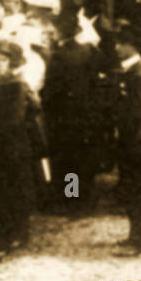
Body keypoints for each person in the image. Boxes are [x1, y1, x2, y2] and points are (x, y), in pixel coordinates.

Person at [0, 38, 47, 254]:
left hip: (14, 145)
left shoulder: (15, 85)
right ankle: (12, 231)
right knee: (5, 189)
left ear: (11, 64)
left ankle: (17, 233)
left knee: (16, 188)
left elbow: (12, 121)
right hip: (1, 145)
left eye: (1, 61)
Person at [42, 14, 99, 215]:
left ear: (62, 32)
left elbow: (51, 90)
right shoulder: (86, 52)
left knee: (67, 161)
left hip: (64, 116)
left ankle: (72, 200)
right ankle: (85, 198)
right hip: (85, 114)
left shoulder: (59, 56)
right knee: (83, 157)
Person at [112, 23, 141, 256]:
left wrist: (121, 130)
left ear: (130, 46)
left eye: (121, 44)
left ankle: (140, 240)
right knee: (131, 187)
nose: (117, 48)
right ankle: (134, 235)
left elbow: (137, 112)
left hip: (133, 140)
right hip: (131, 138)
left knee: (136, 189)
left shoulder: (137, 74)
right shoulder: (133, 71)